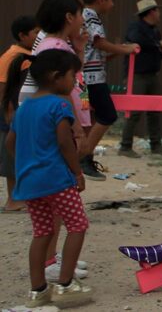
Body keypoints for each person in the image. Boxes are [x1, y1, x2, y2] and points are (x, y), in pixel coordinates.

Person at [6, 49, 93, 307]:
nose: (74, 82)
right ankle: (65, 285)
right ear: (56, 77)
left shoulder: (24, 108)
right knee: (77, 225)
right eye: (72, 76)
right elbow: (65, 142)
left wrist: (29, 160)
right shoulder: (59, 105)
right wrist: (77, 172)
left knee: (41, 232)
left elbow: (11, 143)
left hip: (30, 182)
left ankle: (38, 291)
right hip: (57, 179)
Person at [77, 0, 139, 179]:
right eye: (112, 1)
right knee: (107, 115)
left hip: (86, 77)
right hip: (91, 78)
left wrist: (117, 51)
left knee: (91, 118)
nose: (113, 5)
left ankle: (84, 157)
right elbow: (99, 42)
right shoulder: (91, 16)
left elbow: (94, 48)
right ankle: (84, 156)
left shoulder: (84, 15)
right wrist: (124, 48)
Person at [120, 0, 162, 156]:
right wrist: (159, 45)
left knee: (154, 111)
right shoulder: (136, 28)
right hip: (137, 75)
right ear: (151, 12)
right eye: (157, 10)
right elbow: (139, 42)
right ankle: (125, 146)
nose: (159, 14)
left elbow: (156, 51)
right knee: (134, 112)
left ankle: (156, 145)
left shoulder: (155, 31)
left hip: (151, 74)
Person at [1, 15, 39, 212]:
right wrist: (9, 111)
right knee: (13, 157)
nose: (38, 35)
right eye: (35, 32)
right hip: (12, 113)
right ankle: (13, 200)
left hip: (20, 112)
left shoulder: (27, 55)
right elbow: (3, 86)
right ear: (23, 35)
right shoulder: (14, 56)